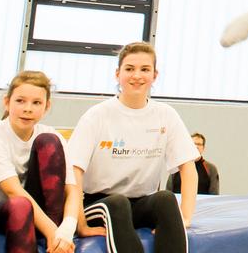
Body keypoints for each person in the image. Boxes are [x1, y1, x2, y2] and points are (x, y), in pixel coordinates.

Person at [66, 42, 199, 253]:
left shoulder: (165, 115)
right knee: (118, 203)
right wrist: (79, 223)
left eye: (144, 69)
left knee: (165, 199)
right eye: (129, 69)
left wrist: (185, 216)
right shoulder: (97, 116)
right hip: (101, 203)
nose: (137, 75)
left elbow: (188, 168)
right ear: (118, 74)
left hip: (141, 203)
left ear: (154, 75)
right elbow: (74, 172)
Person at [0, 70, 77, 253]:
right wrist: (52, 233)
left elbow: (72, 190)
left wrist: (66, 231)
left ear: (46, 106)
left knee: (48, 141)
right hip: (1, 212)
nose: (28, 109)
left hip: (42, 215)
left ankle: (53, 237)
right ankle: (51, 234)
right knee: (20, 205)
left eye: (36, 103)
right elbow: (12, 190)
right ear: (7, 102)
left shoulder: (52, 134)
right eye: (20, 101)